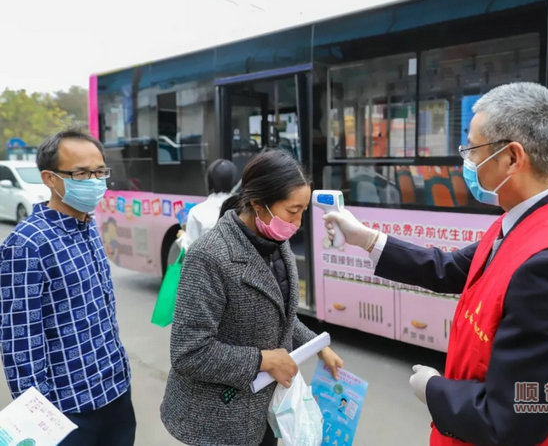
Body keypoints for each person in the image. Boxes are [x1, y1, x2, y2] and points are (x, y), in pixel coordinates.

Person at [324, 82, 548, 446]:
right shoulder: (530, 219)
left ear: (512, 158)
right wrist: (366, 238)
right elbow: (450, 268)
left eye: (471, 149)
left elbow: (509, 418)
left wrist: (433, 390)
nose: (465, 161)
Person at [160, 149, 344, 446]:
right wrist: (264, 359)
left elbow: (281, 315)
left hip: (263, 409)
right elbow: (189, 352)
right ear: (258, 205)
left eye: (303, 211)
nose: (297, 223)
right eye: (292, 211)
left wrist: (318, 347)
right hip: (218, 420)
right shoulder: (209, 256)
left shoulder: (276, 242)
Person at [0, 131, 135, 445]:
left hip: (115, 393)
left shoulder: (87, 226)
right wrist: (39, 422)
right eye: (82, 173)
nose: (95, 181)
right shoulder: (26, 245)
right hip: (67, 412)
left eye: (100, 172)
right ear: (50, 178)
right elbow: (21, 344)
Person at [176, 158, 238, 250]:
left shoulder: (197, 212)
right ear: (233, 181)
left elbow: (191, 249)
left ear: (209, 181)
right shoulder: (243, 208)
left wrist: (182, 237)